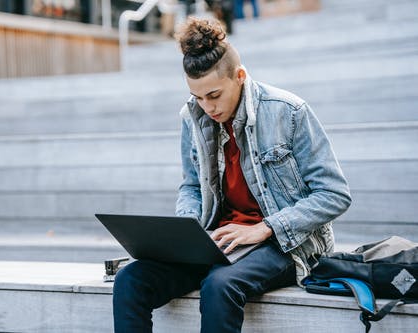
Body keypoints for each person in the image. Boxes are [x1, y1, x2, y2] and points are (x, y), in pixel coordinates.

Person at [113, 17, 351, 333]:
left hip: (284, 244)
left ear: (239, 77)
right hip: (218, 240)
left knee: (220, 285)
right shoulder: (192, 117)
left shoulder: (288, 111)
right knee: (130, 278)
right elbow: (192, 185)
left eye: (213, 95)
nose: (206, 106)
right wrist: (189, 230)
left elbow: (334, 194)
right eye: (197, 97)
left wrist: (266, 228)